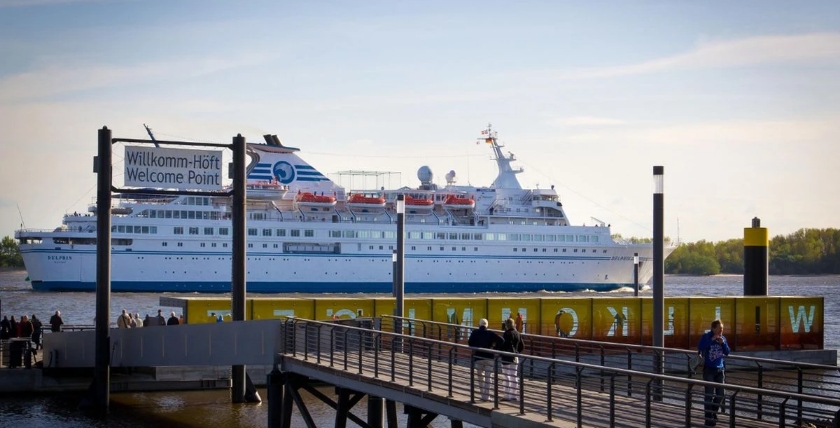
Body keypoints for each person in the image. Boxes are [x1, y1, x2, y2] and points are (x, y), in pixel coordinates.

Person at [698, 319, 730, 426]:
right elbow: (700, 347)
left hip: (720, 369)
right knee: (709, 394)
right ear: (713, 328)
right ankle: (709, 419)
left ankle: (713, 412)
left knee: (721, 394)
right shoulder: (706, 336)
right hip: (709, 369)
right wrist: (712, 339)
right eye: (719, 328)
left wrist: (723, 343)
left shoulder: (723, 338)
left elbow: (727, 352)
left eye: (722, 328)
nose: (721, 330)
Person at [468, 318, 503, 401]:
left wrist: (476, 346)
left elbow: (470, 343)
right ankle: (487, 396)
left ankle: (482, 395)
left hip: (478, 357)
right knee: (488, 377)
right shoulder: (490, 333)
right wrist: (494, 348)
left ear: (479, 325)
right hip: (489, 357)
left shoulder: (474, 332)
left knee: (480, 377)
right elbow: (501, 340)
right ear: (487, 325)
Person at [500, 318, 524, 401]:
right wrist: (517, 352)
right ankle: (514, 395)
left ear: (506, 325)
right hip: (515, 356)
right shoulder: (518, 333)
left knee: (506, 376)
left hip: (506, 357)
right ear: (514, 324)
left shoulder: (506, 334)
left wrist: (501, 352)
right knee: (514, 376)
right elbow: (522, 346)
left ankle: (507, 395)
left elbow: (504, 345)